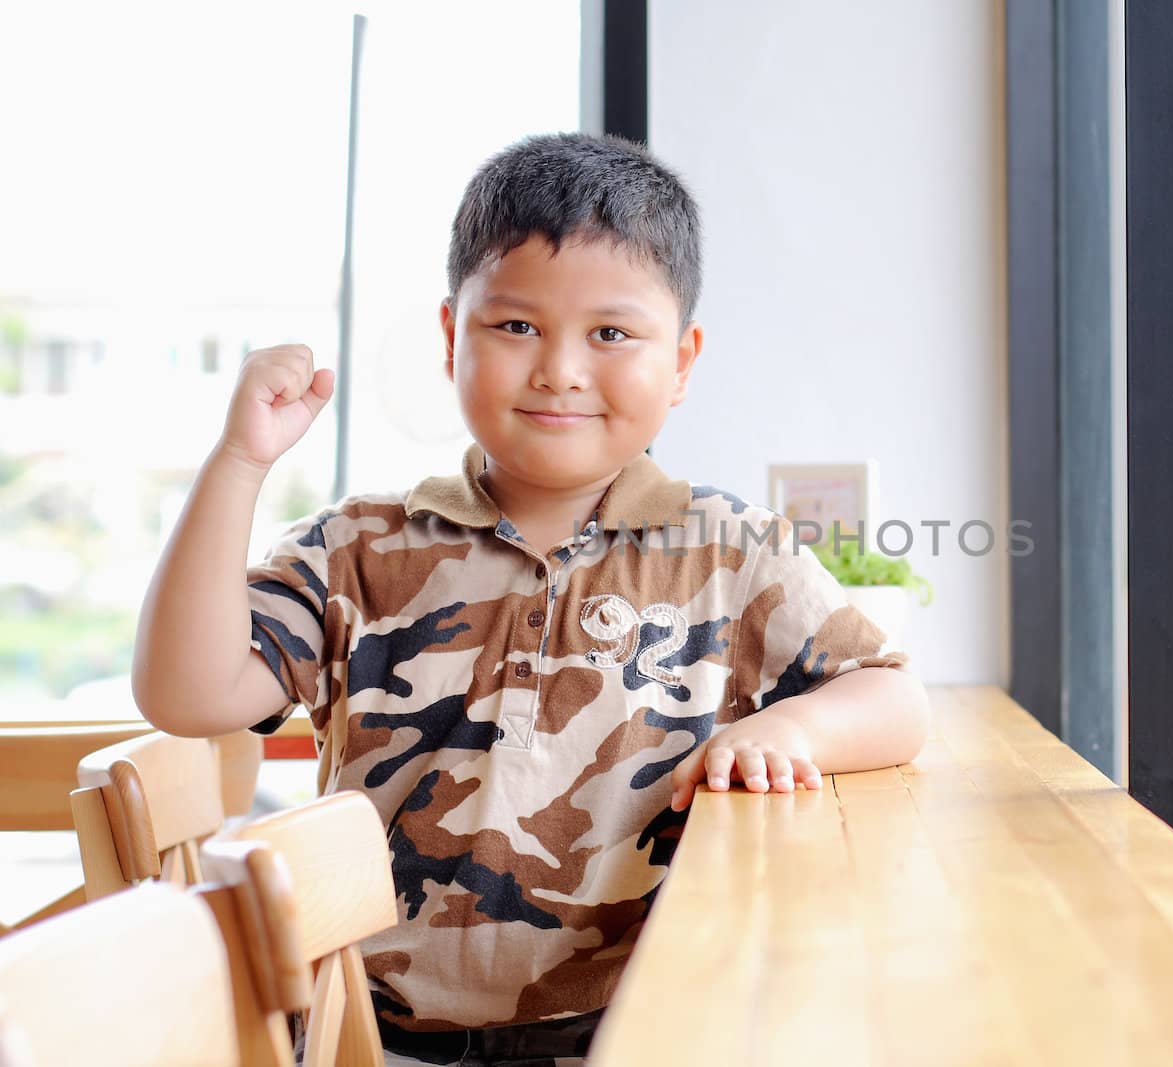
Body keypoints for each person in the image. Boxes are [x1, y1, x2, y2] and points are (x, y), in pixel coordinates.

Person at [132, 132, 929, 1066]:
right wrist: (239, 464)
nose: (559, 369)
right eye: (515, 327)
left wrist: (791, 732)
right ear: (448, 337)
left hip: (634, 1037)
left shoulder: (729, 548)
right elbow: (186, 694)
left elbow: (891, 694)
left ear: (681, 360)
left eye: (611, 333)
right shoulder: (359, 547)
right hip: (371, 1039)